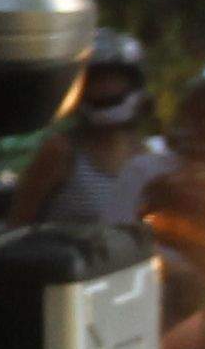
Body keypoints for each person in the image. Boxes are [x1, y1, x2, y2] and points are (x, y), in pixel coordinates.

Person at [11, 32, 174, 230]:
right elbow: (15, 227)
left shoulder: (152, 156)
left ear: (134, 84)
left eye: (113, 80)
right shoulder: (60, 152)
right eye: (96, 81)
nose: (105, 90)